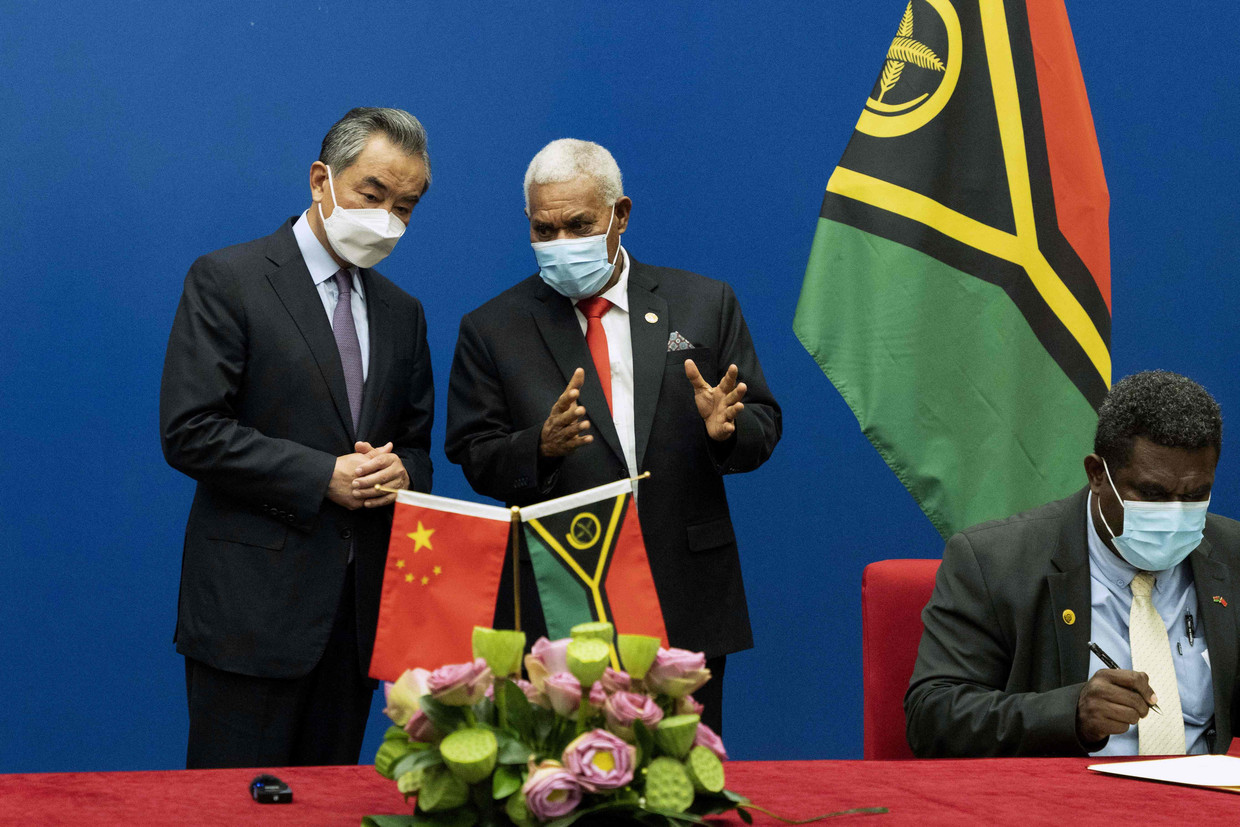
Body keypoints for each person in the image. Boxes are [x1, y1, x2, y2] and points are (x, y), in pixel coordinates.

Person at [445, 139, 781, 732]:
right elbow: (473, 453)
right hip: (560, 594)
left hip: (684, 587)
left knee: (683, 787)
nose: (561, 244)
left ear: (619, 215)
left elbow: (763, 422)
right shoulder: (492, 328)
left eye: (579, 224)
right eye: (544, 230)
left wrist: (725, 431)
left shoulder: (704, 302)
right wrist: (538, 447)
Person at [160, 107, 435, 768]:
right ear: (321, 180)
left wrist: (401, 475)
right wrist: (322, 476)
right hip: (248, 615)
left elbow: (419, 448)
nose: (388, 219)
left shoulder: (404, 312)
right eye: (373, 194)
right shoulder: (228, 279)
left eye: (407, 206)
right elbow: (190, 430)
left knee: (330, 806)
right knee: (229, 811)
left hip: (354, 621)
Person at [906, 370, 1240, 757]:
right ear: (1097, 475)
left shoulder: (1232, 554)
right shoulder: (992, 562)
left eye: (1196, 494)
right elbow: (932, 717)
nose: (1175, 513)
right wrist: (1071, 714)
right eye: (1152, 494)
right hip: (1061, 803)